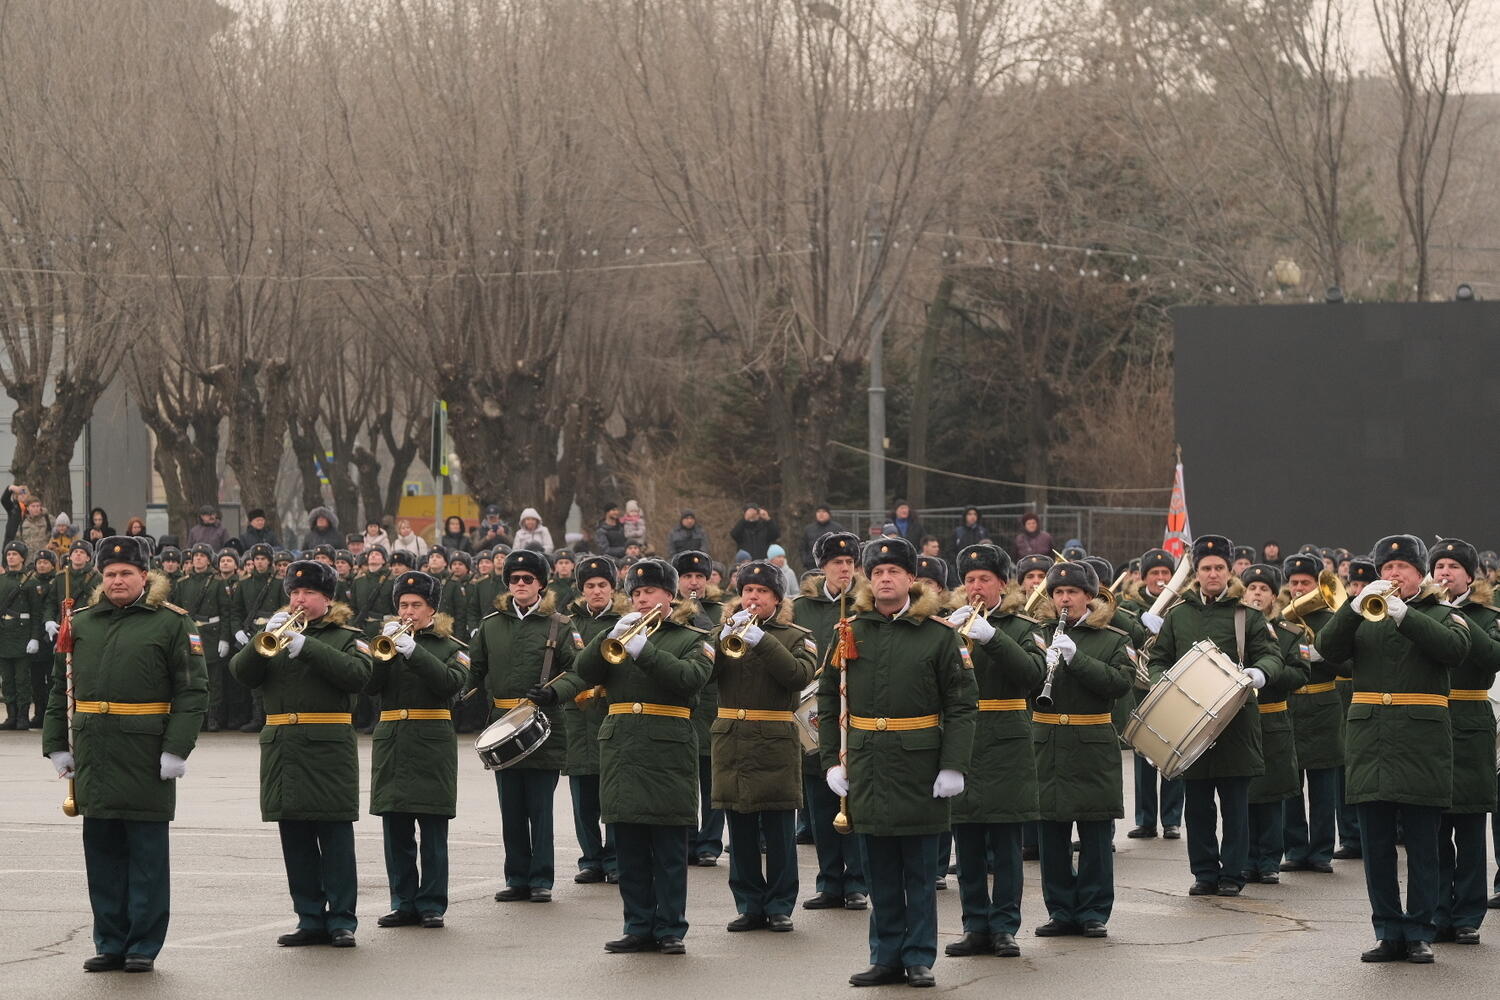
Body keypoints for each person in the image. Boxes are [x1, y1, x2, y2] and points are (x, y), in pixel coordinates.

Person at [42, 535, 207, 973]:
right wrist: (57, 743)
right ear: (101, 576)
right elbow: (62, 689)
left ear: (144, 576)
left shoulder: (171, 623)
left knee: (147, 858)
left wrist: (176, 749)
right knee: (103, 855)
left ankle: (142, 946)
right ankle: (110, 942)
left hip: (145, 751)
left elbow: (192, 692)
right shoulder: (81, 621)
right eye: (110, 574)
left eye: (126, 574)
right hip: (95, 750)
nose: (117, 581)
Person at [818, 536, 976, 988]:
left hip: (921, 766)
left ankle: (919, 955)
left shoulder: (940, 636)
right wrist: (833, 760)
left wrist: (954, 765)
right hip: (867, 763)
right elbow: (831, 701)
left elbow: (963, 704)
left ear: (911, 579)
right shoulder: (851, 630)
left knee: (921, 871)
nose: (885, 579)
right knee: (879, 869)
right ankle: (885, 955)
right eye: (878, 572)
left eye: (895, 572)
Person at [1316, 535, 1470, 964]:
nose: (1394, 574)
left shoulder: (1443, 613)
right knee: (1377, 845)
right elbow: (1327, 651)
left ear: (1420, 573)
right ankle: (1387, 930)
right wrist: (1351, 607)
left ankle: (1420, 930)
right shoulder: (1364, 615)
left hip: (1422, 741)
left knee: (1424, 844)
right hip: (1371, 742)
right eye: (1387, 567)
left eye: (1403, 567)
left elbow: (1455, 650)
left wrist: (1405, 616)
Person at [573, 557, 713, 954]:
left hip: (667, 749)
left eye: (649, 591)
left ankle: (670, 928)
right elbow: (585, 672)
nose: (641, 599)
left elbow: (688, 680)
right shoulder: (618, 633)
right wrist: (606, 642)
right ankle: (637, 925)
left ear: (669, 595)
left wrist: (644, 649)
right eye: (634, 593)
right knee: (629, 845)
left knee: (668, 848)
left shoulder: (691, 637)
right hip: (622, 748)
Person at [230, 559, 372, 949]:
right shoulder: (274, 632)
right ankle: (309, 917)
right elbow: (241, 674)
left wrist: (307, 647)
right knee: (294, 838)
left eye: (308, 593)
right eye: (294, 592)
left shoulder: (346, 636)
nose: (299, 599)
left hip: (328, 748)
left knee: (335, 839)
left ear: (326, 598)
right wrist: (263, 645)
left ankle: (342, 920)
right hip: (283, 749)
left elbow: (359, 676)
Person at [1145, 534, 1286, 898]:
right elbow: (1159, 658)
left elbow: (1272, 654)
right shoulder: (1179, 615)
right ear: (1197, 572)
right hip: (1190, 723)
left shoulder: (1247, 614)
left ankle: (1233, 873)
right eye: (1206, 568)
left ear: (1229, 571)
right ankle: (1205, 872)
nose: (1212, 574)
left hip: (1235, 722)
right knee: (1198, 807)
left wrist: (1260, 673)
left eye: (1219, 568)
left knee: (1236, 807)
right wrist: (1164, 683)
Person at [941, 543, 1044, 957]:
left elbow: (1033, 675)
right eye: (969, 580)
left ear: (1003, 583)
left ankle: (1005, 927)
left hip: (1006, 743)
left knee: (1005, 844)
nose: (976, 587)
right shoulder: (949, 626)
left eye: (984, 579)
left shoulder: (1021, 626)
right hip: (962, 741)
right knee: (965, 843)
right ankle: (975, 926)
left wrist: (993, 637)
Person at [467, 549, 584, 904]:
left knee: (539, 808)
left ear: (541, 584)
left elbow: (580, 671)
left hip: (543, 723)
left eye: (528, 579)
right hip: (503, 727)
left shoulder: (561, 625)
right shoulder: (491, 625)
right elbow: (474, 671)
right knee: (511, 809)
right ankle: (516, 876)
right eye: (514, 579)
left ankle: (541, 880)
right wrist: (455, 693)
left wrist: (553, 692)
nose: (520, 584)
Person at [710, 561, 817, 932]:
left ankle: (780, 905)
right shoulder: (721, 632)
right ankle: (749, 904)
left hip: (774, 741)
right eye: (747, 592)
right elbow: (702, 674)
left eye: (761, 593)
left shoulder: (796, 635)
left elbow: (798, 676)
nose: (752, 598)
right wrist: (720, 638)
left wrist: (763, 640)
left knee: (778, 829)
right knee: (739, 830)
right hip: (732, 740)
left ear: (776, 599)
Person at [1028, 560, 1132, 939]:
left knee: (1095, 835)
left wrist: (1077, 659)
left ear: (1089, 596)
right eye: (1058, 593)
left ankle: (1093, 912)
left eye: (1072, 592)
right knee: (1051, 835)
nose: (1064, 599)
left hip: (1092, 745)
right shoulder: (1037, 634)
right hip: (1048, 743)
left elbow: (1121, 684)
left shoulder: (1114, 637)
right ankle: (1060, 910)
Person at [368, 570, 469, 930]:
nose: (408, 611)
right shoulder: (387, 642)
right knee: (395, 828)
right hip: (393, 738)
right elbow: (369, 687)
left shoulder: (451, 647)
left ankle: (431, 903)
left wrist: (415, 652)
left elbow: (450, 684)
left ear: (431, 610)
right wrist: (383, 654)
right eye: (403, 605)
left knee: (432, 829)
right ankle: (403, 901)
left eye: (416, 605)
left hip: (431, 739)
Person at [1427, 539, 1500, 944]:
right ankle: (1438, 913)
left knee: (1470, 826)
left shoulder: (1488, 616)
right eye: (1439, 566)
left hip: (1471, 723)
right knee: (1433, 829)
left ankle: (1468, 916)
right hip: (1431, 722)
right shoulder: (1423, 612)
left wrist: (1457, 619)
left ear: (1469, 576)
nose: (1444, 573)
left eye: (1453, 566)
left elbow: (1492, 657)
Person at [793, 531, 869, 912]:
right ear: (822, 566)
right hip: (814, 717)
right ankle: (829, 881)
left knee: (854, 798)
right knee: (821, 803)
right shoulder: (800, 608)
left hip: (858, 714)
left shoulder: (867, 604)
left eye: (850, 563)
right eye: (837, 563)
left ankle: (857, 881)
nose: (844, 569)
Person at [1239, 564, 1311, 884]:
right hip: (1238, 721)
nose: (1257, 593)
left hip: (1272, 718)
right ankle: (1243, 859)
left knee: (1271, 794)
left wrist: (1269, 673)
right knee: (1241, 796)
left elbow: (1300, 674)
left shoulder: (1289, 633)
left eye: (1263, 589)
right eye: (1251, 588)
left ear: (1272, 596)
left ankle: (1268, 860)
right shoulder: (1232, 629)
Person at [1280, 553, 1346, 876]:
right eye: (1294, 583)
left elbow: (1349, 666)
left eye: (1306, 582)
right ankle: (1294, 848)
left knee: (1323, 787)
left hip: (1323, 707)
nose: (1299, 588)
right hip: (1291, 707)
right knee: (1290, 786)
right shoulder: (1280, 619)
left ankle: (1321, 851)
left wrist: (1324, 654)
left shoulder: (1331, 618)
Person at [563, 555, 626, 885]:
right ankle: (590, 859)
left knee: (613, 794)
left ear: (613, 588)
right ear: (581, 589)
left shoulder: (626, 620)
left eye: (603, 585)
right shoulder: (568, 623)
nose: (597, 591)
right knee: (582, 795)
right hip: (577, 716)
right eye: (590, 586)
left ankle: (615, 858)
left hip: (611, 711)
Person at [1123, 548, 1184, 839]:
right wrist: (1140, 623)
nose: (1160, 578)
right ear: (1144, 577)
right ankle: (1146, 819)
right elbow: (1123, 635)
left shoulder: (1181, 605)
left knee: (1173, 750)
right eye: (1154, 573)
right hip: (1141, 684)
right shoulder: (1130, 605)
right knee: (1143, 752)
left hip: (1172, 683)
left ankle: (1171, 819)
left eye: (1165, 573)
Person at [671, 550, 724, 867]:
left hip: (713, 705)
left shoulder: (719, 611)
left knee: (713, 781)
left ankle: (710, 842)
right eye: (688, 577)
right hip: (683, 705)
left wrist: (703, 617)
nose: (694, 582)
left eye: (699, 577)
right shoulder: (668, 610)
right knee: (685, 779)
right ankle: (687, 838)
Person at [172, 544, 229, 732]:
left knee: (214, 679)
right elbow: (177, 613)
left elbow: (225, 612)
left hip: (211, 633)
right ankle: (197, 716)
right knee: (191, 677)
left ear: (208, 560)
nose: (198, 559)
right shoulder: (182, 583)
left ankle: (213, 717)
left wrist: (224, 638)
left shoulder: (218, 582)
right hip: (190, 634)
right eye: (195, 556)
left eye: (202, 556)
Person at [0, 540, 39, 729]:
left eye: (14, 554)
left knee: (22, 679)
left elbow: (36, 612)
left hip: (22, 635)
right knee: (7, 680)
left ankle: (23, 716)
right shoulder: (1, 580)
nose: (10, 557)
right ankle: (11, 716)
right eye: (8, 554)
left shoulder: (30, 582)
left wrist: (34, 637)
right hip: (4, 635)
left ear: (22, 558)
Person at [26, 549, 57, 727]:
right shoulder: (31, 583)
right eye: (39, 562)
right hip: (35, 636)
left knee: (52, 680)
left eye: (45, 562)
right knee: (36, 680)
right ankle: (39, 714)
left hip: (51, 636)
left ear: (52, 564)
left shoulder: (57, 582)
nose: (42, 565)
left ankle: (50, 715)